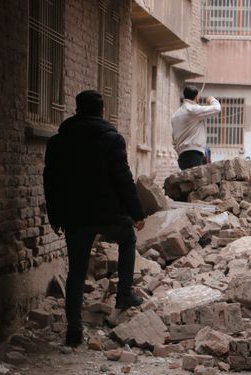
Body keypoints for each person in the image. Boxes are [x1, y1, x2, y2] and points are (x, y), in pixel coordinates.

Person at [44, 90, 146, 348]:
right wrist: (137, 213)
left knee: (76, 271)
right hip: (109, 213)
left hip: (75, 216)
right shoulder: (112, 139)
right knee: (128, 239)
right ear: (101, 111)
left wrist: (55, 216)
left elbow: (51, 181)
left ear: (77, 110)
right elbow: (123, 178)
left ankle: (73, 331)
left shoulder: (59, 141)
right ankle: (123, 295)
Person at [172, 86, 221, 170]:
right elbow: (217, 108)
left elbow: (173, 137)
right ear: (196, 97)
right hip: (193, 155)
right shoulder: (193, 110)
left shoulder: (175, 115)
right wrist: (212, 99)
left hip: (181, 156)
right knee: (195, 182)